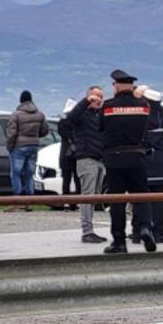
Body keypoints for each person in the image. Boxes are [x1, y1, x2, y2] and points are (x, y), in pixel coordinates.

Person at [100, 70, 156, 254]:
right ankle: (145, 228)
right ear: (132, 86)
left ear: (116, 86)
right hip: (137, 157)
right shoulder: (143, 106)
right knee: (141, 196)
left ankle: (119, 241)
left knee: (117, 200)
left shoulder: (108, 107)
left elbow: (100, 128)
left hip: (114, 158)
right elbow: (147, 129)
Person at [131, 88, 163, 244]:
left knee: (140, 199)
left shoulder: (139, 120)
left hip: (141, 165)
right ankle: (159, 233)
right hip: (160, 165)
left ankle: (138, 232)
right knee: (159, 202)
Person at [67, 86, 107, 243]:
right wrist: (85, 101)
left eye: (101, 96)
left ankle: (90, 229)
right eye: (96, 96)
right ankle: (87, 231)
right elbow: (71, 117)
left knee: (94, 197)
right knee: (87, 196)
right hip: (86, 158)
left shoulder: (99, 116)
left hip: (99, 159)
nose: (98, 99)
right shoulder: (81, 114)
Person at [6, 90, 50, 205]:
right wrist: (35, 136)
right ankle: (29, 201)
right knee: (29, 174)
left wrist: (10, 147)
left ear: (20, 100)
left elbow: (12, 133)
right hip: (34, 146)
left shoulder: (16, 114)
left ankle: (17, 200)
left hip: (19, 147)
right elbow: (45, 130)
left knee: (16, 174)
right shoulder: (40, 114)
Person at [56, 99, 80, 209]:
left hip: (65, 152)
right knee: (77, 178)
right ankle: (77, 201)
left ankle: (65, 200)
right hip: (77, 152)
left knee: (66, 179)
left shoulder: (61, 124)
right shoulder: (78, 123)